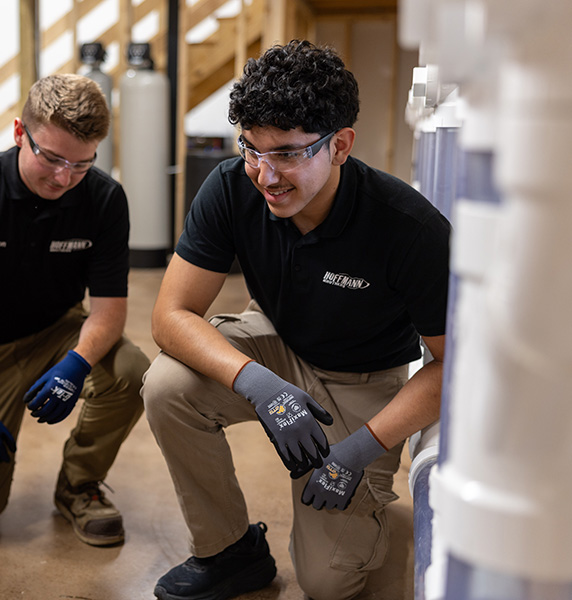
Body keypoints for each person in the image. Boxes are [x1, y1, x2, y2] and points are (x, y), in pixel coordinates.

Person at [142, 40, 451, 600]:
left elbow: (453, 365)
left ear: (340, 146)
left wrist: (362, 448)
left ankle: (370, 513)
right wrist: (259, 386)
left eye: (287, 153)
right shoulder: (232, 186)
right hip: (277, 346)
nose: (265, 174)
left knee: (326, 583)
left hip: (367, 383)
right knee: (168, 385)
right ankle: (230, 551)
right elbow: (170, 316)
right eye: (252, 150)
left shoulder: (409, 229)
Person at [0, 73, 149, 547]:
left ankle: (78, 486)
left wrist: (77, 363)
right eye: (51, 158)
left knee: (129, 370)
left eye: (82, 164)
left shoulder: (105, 199)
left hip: (56, 332)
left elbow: (109, 311)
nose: (64, 178)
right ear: (19, 133)